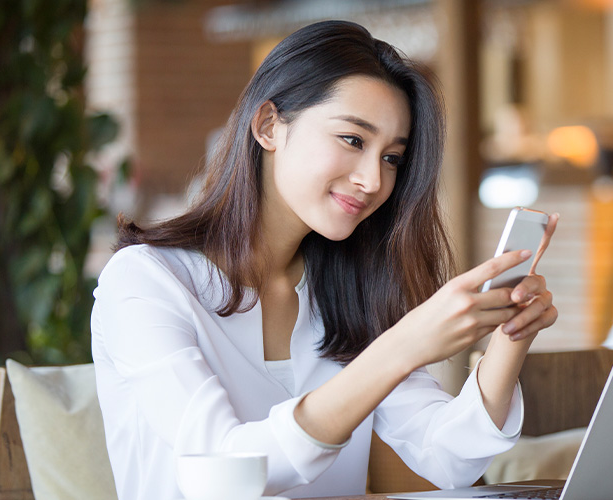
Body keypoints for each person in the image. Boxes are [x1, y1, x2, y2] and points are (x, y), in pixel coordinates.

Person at [91, 20, 559, 500]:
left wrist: (510, 334)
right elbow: (225, 469)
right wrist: (402, 347)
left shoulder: (347, 291)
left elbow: (448, 458)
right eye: (353, 140)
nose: (373, 180)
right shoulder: (145, 280)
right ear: (269, 126)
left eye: (392, 158)